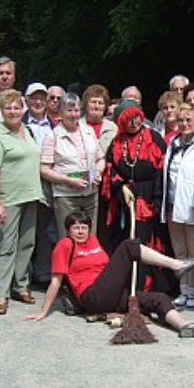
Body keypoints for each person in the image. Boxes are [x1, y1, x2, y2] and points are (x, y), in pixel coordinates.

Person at [23, 212, 194, 338]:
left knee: (158, 298)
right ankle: (176, 265)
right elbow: (56, 281)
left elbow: (106, 267)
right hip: (92, 296)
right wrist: (43, 311)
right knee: (127, 247)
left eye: (84, 227)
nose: (80, 231)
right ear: (68, 230)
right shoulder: (64, 245)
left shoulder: (93, 241)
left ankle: (184, 327)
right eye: (75, 227)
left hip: (110, 293)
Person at [103, 99, 174, 293]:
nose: (134, 122)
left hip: (151, 196)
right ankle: (131, 286)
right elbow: (109, 168)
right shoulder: (117, 142)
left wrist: (158, 197)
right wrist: (120, 188)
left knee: (151, 241)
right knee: (128, 241)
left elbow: (162, 169)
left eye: (136, 117)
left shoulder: (154, 137)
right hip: (126, 200)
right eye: (128, 119)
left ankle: (154, 288)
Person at [0, 90, 44, 315]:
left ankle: (21, 285)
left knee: (27, 244)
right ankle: (1, 294)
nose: (13, 111)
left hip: (31, 195)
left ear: (23, 109)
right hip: (9, 198)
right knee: (6, 246)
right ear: (2, 111)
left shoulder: (27, 131)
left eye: (16, 107)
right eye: (8, 108)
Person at [40, 93, 104, 238]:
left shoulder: (89, 131)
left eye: (76, 110)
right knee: (69, 238)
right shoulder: (52, 136)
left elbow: (101, 159)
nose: (73, 114)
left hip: (90, 194)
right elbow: (44, 170)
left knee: (90, 238)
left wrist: (97, 173)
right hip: (66, 197)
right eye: (69, 110)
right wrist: (69, 181)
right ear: (61, 113)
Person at [161, 104, 194, 308]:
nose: (185, 124)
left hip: (192, 205)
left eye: (189, 120)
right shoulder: (173, 142)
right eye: (181, 120)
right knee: (179, 250)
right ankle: (184, 290)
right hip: (172, 203)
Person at [23, 83, 56, 285]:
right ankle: (23, 276)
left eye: (41, 98)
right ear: (26, 100)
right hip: (24, 183)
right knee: (25, 232)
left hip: (47, 186)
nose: (38, 102)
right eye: (33, 98)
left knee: (45, 232)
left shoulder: (55, 126)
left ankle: (42, 273)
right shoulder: (18, 123)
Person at [80, 84, 118, 155]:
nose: (97, 106)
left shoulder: (113, 128)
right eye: (93, 102)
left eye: (100, 103)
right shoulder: (76, 126)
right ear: (86, 104)